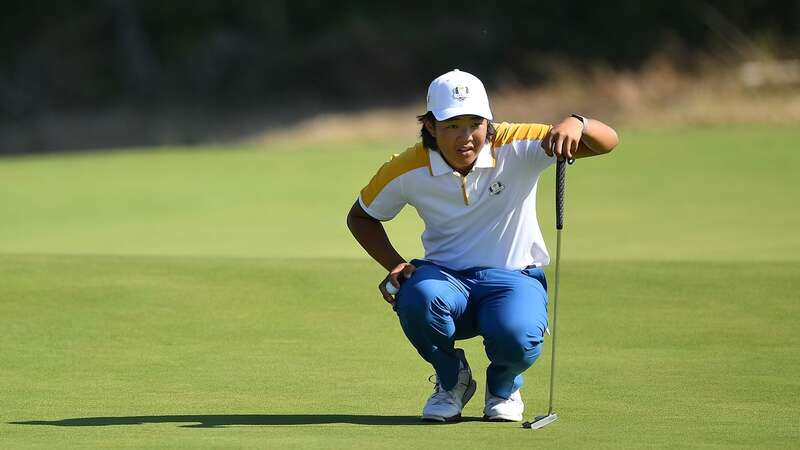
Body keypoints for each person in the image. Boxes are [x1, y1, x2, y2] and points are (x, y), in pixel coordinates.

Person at [346, 69, 619, 422]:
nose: (465, 137)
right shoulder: (406, 168)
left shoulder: (519, 143)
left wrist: (578, 122)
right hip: (446, 281)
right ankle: (451, 381)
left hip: (513, 277)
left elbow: (607, 141)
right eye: (451, 125)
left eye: (474, 123)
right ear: (430, 126)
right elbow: (362, 216)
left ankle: (502, 387)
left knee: (517, 335)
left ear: (488, 122)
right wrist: (394, 263)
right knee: (416, 298)